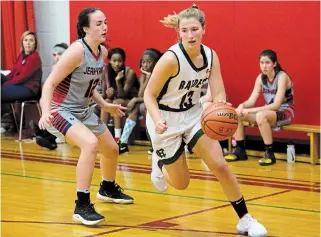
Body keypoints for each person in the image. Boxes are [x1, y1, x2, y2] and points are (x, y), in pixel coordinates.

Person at [144, 5, 267, 236]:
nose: (190, 35)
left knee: (219, 164)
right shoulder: (171, 59)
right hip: (164, 119)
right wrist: (157, 119)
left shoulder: (210, 56)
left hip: (193, 115)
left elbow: (218, 92)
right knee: (181, 184)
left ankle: (245, 219)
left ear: (203, 30)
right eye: (185, 30)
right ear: (178, 32)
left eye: (194, 29)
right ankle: (159, 164)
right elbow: (148, 95)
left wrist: (220, 108)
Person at [38, 7, 134, 226]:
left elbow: (88, 86)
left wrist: (104, 105)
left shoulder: (102, 52)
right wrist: (45, 112)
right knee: (90, 144)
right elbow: (50, 83)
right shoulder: (76, 52)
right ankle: (81, 205)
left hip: (83, 110)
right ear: (85, 28)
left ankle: (107, 188)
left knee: (111, 148)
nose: (104, 27)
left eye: (105, 22)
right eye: (98, 24)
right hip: (61, 110)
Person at [224, 49, 294, 166]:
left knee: (261, 115)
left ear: (274, 64)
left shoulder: (282, 76)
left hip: (285, 112)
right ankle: (240, 150)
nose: (264, 66)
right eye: (262, 63)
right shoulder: (261, 78)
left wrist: (250, 110)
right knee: (236, 113)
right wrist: (242, 106)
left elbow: (276, 105)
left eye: (267, 63)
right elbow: (252, 100)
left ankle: (269, 154)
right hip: (268, 112)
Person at [118, 48, 162, 154]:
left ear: (156, 63)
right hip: (149, 103)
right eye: (143, 62)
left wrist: (135, 99)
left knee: (144, 106)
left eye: (149, 62)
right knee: (137, 107)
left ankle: (155, 143)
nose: (145, 65)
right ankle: (123, 143)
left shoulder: (161, 75)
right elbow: (141, 94)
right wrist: (147, 78)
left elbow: (156, 97)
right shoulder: (144, 75)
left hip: (162, 104)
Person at [1, 31, 42, 133]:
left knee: (1, 91)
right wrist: (4, 79)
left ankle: (8, 121)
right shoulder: (21, 56)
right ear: (22, 43)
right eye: (26, 40)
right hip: (19, 86)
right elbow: (13, 73)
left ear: (35, 44)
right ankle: (9, 120)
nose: (28, 43)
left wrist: (5, 84)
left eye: (31, 41)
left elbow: (21, 78)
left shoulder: (34, 58)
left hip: (29, 89)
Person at [30, 43, 70, 149]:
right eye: (54, 54)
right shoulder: (54, 68)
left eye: (60, 54)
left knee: (53, 112)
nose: (57, 57)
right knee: (45, 102)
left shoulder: (70, 68)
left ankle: (46, 137)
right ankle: (45, 135)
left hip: (69, 102)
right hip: (58, 101)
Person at [100, 48, 139, 141]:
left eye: (120, 61)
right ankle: (102, 136)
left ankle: (117, 137)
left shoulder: (130, 72)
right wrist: (107, 93)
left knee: (116, 102)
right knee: (106, 102)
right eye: (114, 61)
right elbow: (105, 95)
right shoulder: (106, 72)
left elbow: (123, 95)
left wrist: (118, 81)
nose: (117, 64)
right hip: (116, 99)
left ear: (123, 61)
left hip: (131, 101)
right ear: (109, 61)